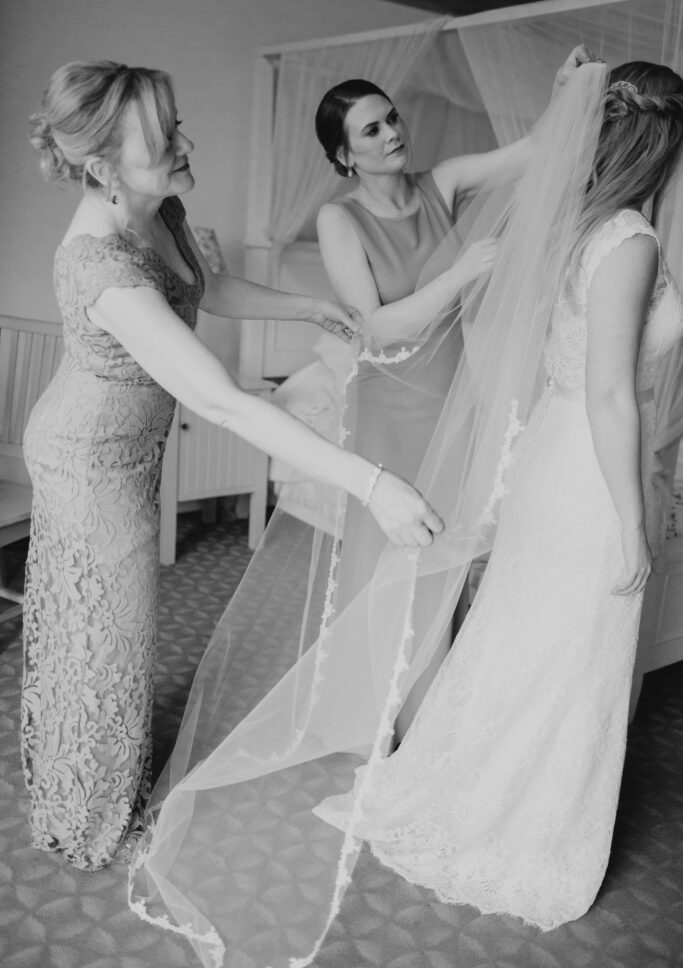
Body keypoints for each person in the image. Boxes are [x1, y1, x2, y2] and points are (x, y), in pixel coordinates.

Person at [21, 60, 444, 872]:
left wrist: (306, 305)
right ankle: (88, 819)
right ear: (103, 167)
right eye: (163, 136)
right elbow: (220, 401)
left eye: (178, 122)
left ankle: (104, 777)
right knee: (103, 636)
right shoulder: (97, 266)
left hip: (133, 448)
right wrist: (371, 481)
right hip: (87, 460)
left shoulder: (158, 209)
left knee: (116, 630)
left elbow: (204, 283)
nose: (186, 142)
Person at [315, 59, 683, 930]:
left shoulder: (586, 224)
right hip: (586, 468)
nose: (389, 133)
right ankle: (515, 822)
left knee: (531, 637)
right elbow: (608, 389)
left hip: (557, 456)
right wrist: (634, 524)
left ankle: (480, 782)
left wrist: (562, 100)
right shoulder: (627, 239)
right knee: (563, 647)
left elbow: (608, 366)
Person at [313, 51, 584, 735]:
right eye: (369, 131)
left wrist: (559, 90)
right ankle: (376, 715)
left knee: (445, 551)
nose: (391, 134)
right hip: (387, 405)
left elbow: (530, 151)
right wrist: (459, 273)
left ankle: (435, 708)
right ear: (344, 158)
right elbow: (372, 325)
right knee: (388, 556)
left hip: (449, 397)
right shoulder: (338, 221)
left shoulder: (442, 182)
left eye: (391, 118)